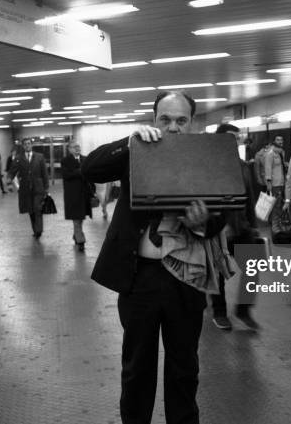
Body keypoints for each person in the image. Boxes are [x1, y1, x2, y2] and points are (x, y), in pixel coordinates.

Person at [81, 91, 226, 424]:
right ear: (154, 119)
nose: (172, 127)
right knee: (136, 369)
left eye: (180, 120)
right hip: (138, 277)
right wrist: (129, 141)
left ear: (192, 122)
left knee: (184, 368)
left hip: (185, 277)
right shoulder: (136, 149)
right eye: (165, 119)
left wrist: (204, 222)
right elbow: (90, 168)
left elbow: (223, 214)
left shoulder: (206, 158)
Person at [208, 124, 260, 331]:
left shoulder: (244, 166)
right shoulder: (207, 167)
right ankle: (219, 313)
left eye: (236, 139)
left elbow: (250, 199)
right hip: (217, 229)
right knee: (217, 272)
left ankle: (244, 310)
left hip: (242, 227)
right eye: (229, 138)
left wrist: (254, 226)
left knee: (254, 268)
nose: (234, 142)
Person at [7, 138, 49, 239]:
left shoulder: (39, 157)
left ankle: (39, 229)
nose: (27, 145)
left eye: (29, 143)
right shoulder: (19, 158)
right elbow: (12, 171)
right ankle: (35, 230)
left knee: (37, 208)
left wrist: (46, 187)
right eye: (25, 144)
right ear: (23, 146)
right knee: (30, 210)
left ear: (32, 145)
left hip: (38, 187)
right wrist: (8, 182)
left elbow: (44, 173)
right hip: (25, 188)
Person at [61, 141, 92, 251]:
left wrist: (93, 191)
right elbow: (66, 175)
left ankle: (76, 235)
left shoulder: (85, 159)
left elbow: (90, 174)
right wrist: (80, 171)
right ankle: (81, 241)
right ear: (69, 149)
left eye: (78, 146)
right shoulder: (65, 161)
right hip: (72, 194)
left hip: (84, 194)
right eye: (75, 147)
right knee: (76, 219)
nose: (77, 148)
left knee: (80, 218)